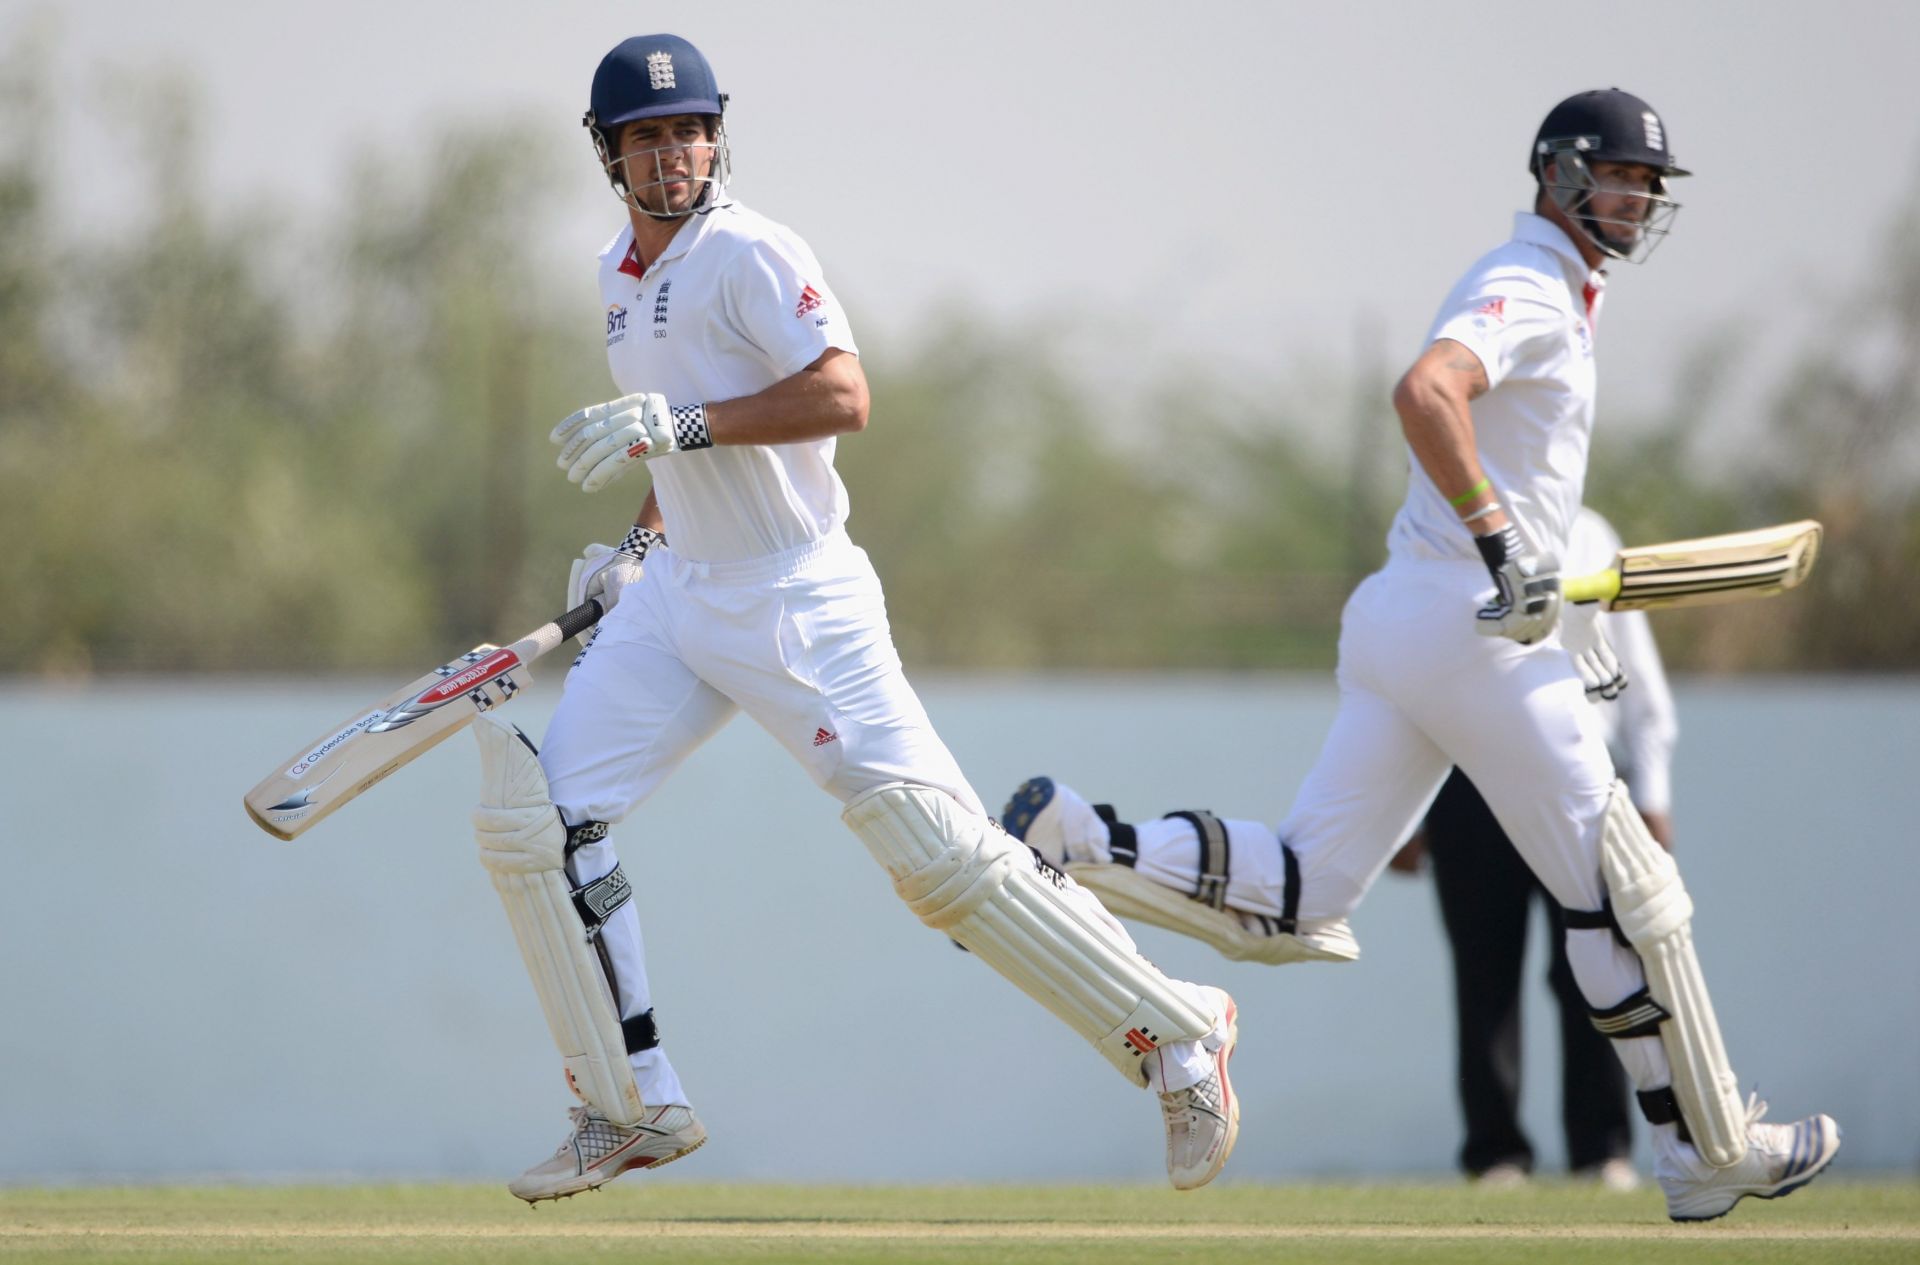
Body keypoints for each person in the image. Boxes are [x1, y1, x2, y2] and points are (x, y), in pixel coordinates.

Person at [1002, 90, 1840, 1222]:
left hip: (1406, 617)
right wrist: (1502, 543)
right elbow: (1425, 389)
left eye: (1650, 184)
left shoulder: (1559, 289)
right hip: (1471, 627)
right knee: (1629, 892)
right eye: (1622, 176)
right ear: (1559, 175)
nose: (1639, 197)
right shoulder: (1530, 281)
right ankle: (1710, 1143)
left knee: (1304, 892)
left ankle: (1077, 839)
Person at [464, 34, 1239, 1204]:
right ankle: (629, 1104)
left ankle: (1181, 1032)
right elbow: (680, 444)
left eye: (688, 131)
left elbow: (841, 394)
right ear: (608, 155)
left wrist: (672, 433)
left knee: (934, 859)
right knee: (540, 827)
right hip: (681, 599)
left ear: (718, 137)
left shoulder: (753, 250)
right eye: (645, 137)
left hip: (796, 597)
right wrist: (637, 545)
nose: (671, 155)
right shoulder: (616, 275)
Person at [1388, 506, 1677, 1191]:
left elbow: (1635, 671)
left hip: (1579, 774)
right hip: (1469, 777)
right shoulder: (1430, 531)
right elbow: (1405, 668)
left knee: (1597, 961)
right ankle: (1496, 1155)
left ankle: (1601, 1148)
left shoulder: (1589, 532)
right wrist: (1400, 806)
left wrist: (1653, 792)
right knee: (1484, 972)